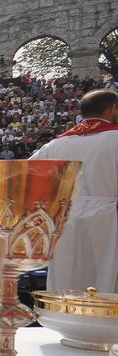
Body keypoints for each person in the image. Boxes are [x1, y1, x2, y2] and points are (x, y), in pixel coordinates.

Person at [29, 88, 118, 293]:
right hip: (109, 216)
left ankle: (67, 321)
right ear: (112, 108)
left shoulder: (55, 145)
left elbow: (27, 176)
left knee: (68, 278)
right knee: (105, 280)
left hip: (65, 217)